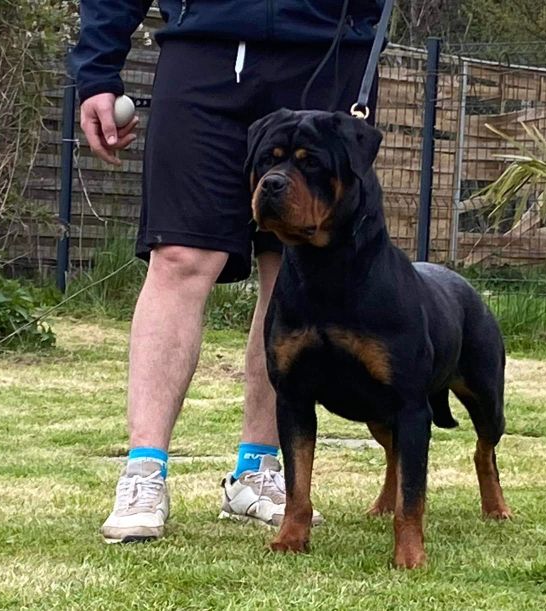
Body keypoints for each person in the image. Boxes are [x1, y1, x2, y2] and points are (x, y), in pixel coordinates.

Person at [71, 0, 382, 542]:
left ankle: (258, 470)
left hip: (330, 53)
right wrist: (98, 70)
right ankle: (144, 471)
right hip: (205, 52)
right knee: (180, 258)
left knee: (293, 266)